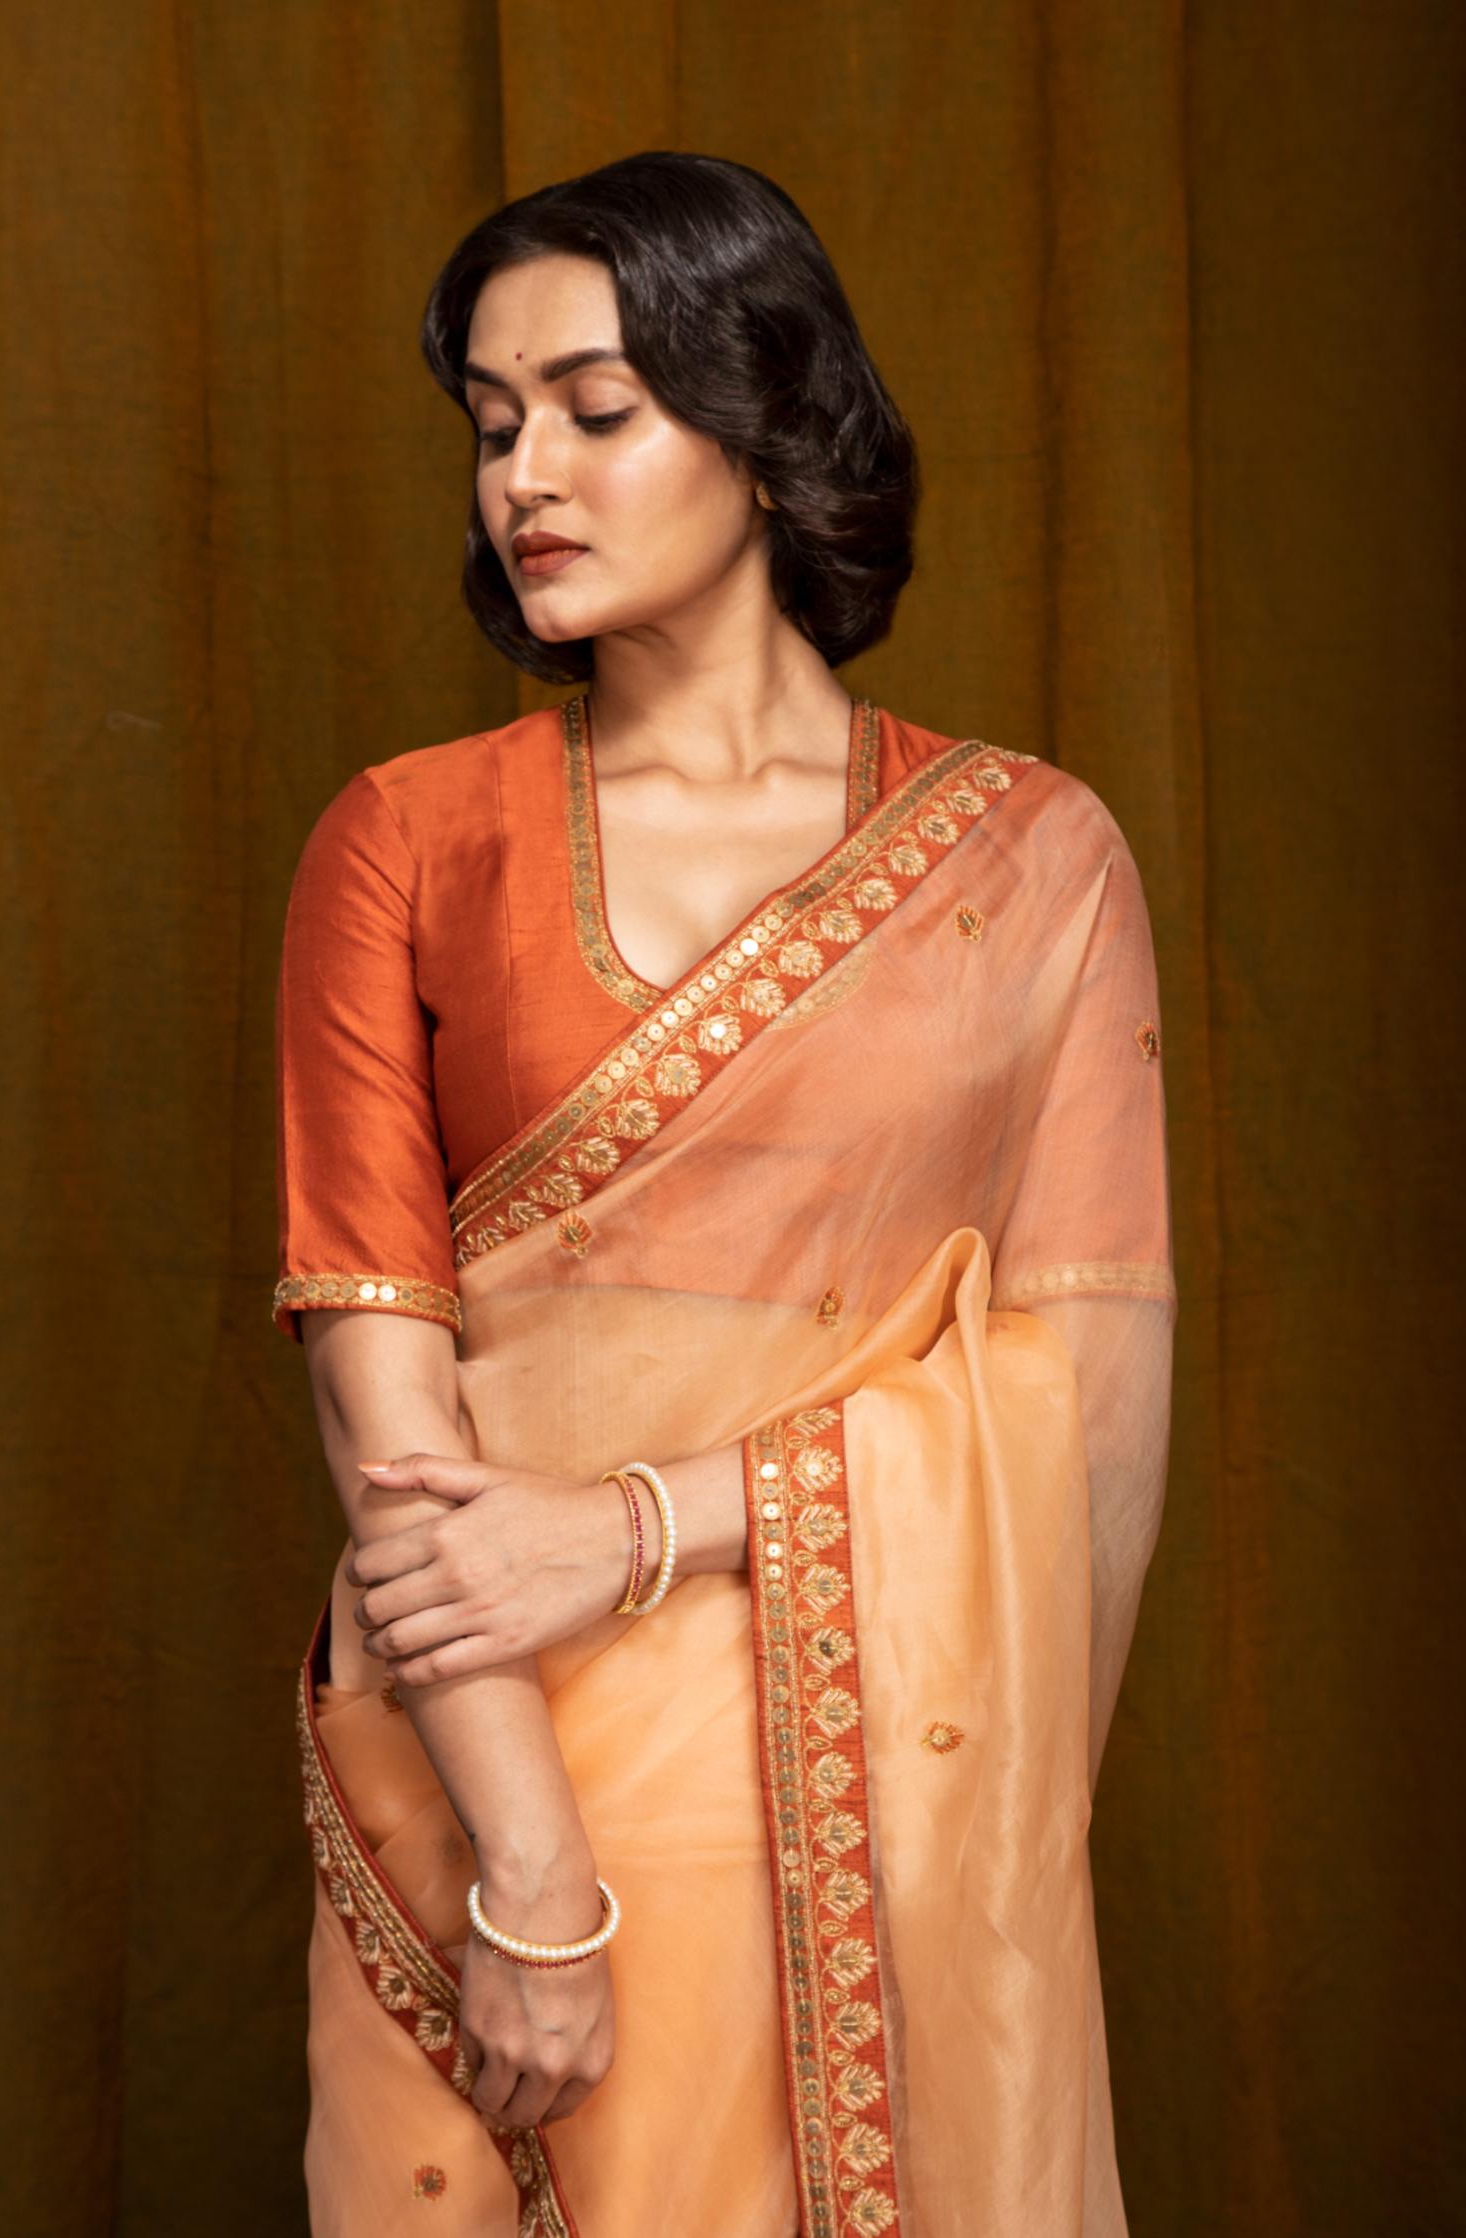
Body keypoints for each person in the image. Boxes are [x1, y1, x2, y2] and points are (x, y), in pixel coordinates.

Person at [274, 149, 1176, 2237]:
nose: (525, 476)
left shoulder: (1031, 863)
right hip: (492, 1777)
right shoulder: (407, 841)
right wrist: (535, 1881)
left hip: (892, 1774)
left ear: (767, 427)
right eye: (492, 425)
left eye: (595, 409)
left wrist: (638, 1524)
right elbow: (381, 1405)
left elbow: (1081, 1420)